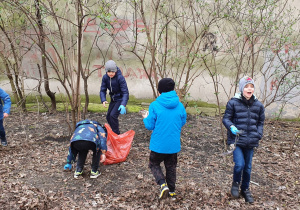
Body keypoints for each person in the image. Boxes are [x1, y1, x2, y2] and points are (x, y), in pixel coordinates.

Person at [142, 78, 187, 200]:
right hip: (173, 145)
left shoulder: (155, 105)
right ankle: (172, 191)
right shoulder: (180, 105)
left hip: (158, 145)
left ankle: (162, 184)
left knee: (154, 164)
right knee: (171, 167)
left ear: (160, 91)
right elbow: (183, 121)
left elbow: (150, 125)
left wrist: (146, 117)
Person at [222, 76, 265, 203]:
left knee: (248, 167)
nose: (249, 89)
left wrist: (258, 134)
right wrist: (231, 127)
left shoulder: (259, 105)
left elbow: (261, 122)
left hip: (251, 140)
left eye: (251, 86)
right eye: (246, 86)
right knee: (240, 164)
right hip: (236, 140)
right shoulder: (233, 102)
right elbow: (226, 119)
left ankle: (245, 189)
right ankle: (235, 183)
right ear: (242, 88)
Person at [100, 60, 129, 135]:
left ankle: (116, 133)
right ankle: (113, 131)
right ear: (106, 71)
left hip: (120, 99)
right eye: (109, 72)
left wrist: (123, 104)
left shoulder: (120, 78)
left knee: (113, 116)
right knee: (108, 117)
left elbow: (125, 92)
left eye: (112, 72)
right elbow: (102, 90)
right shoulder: (105, 78)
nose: (111, 74)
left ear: (115, 70)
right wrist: (103, 100)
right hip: (113, 99)